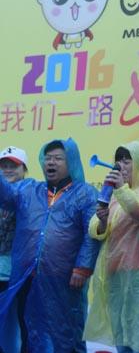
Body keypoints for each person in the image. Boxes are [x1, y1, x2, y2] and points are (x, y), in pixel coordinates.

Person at [0, 138, 100, 353]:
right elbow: (5, 195)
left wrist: (83, 267)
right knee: (28, 331)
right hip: (27, 277)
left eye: (57, 158)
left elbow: (91, 235)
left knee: (65, 333)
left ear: (71, 162)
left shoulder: (86, 193)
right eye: (47, 159)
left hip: (64, 279)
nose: (50, 163)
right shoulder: (28, 189)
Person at [84, 141, 139, 353]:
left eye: (126, 160)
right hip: (116, 276)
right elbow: (95, 228)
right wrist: (102, 221)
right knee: (122, 342)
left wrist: (121, 189)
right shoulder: (112, 195)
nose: (120, 165)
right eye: (118, 160)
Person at [0, 146, 28, 353]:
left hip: (20, 273)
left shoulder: (30, 193)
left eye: (13, 166)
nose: (8, 170)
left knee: (21, 323)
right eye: (4, 166)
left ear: (24, 169)